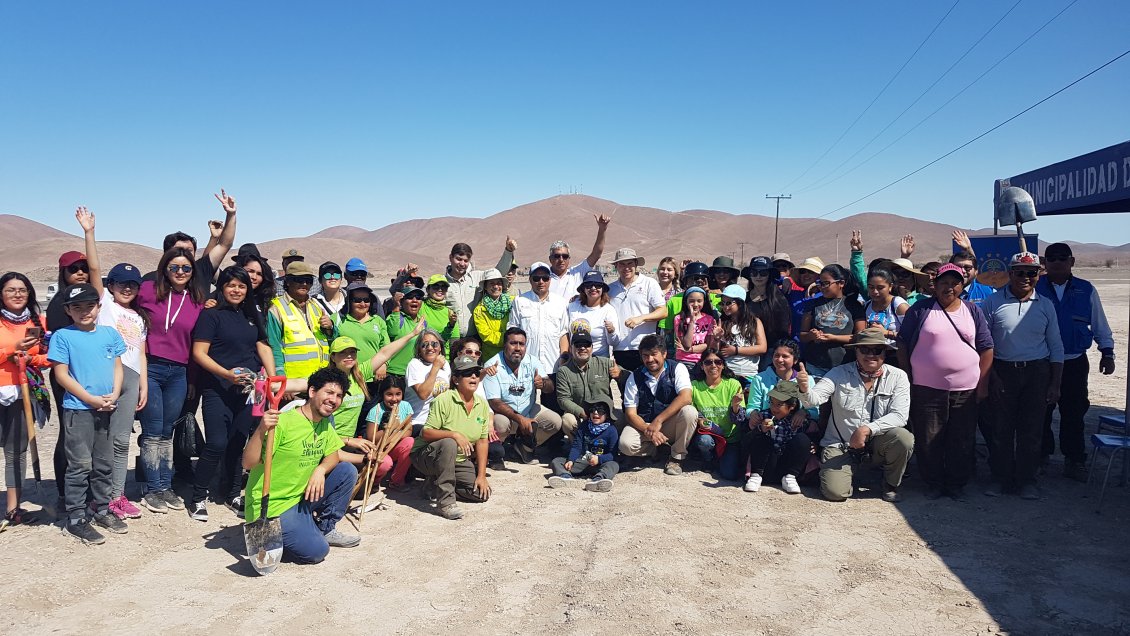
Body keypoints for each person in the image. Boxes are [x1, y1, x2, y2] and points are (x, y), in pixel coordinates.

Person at [242, 367, 361, 563]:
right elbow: (248, 462)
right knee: (318, 552)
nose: (334, 400)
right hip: (272, 506)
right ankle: (288, 533)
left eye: (339, 395)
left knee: (346, 471)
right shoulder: (283, 422)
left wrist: (320, 470)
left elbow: (333, 456)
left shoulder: (323, 424)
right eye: (329, 392)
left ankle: (323, 528)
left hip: (300, 498)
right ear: (313, 392)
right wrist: (261, 429)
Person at [897, 263, 994, 500]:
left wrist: (983, 384)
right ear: (935, 285)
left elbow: (987, 347)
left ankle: (956, 483)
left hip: (966, 389)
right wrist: (907, 375)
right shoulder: (920, 310)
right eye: (944, 283)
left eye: (954, 283)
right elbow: (902, 343)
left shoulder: (972, 311)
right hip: (927, 387)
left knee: (961, 437)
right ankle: (933, 482)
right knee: (929, 436)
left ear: (962, 285)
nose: (949, 287)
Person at [188, 266, 277, 521]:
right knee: (216, 442)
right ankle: (198, 496)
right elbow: (199, 353)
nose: (236, 290)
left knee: (239, 441)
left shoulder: (250, 314)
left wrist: (271, 378)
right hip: (218, 387)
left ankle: (232, 493)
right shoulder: (211, 315)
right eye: (231, 285)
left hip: (249, 390)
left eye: (242, 286)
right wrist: (226, 374)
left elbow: (262, 345)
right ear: (223, 287)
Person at [48, 283, 127, 544]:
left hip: (106, 408)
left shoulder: (109, 334)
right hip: (78, 410)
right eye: (77, 307)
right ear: (68, 310)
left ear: (98, 307)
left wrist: (114, 394)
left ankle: (102, 508)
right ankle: (76, 517)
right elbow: (61, 375)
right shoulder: (63, 336)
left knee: (103, 463)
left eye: (89, 306)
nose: (84, 311)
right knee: (80, 465)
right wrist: (90, 399)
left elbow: (118, 367)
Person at [982, 252, 1064, 500]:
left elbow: (1056, 346)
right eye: (1020, 272)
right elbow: (984, 344)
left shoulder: (1046, 305)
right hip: (1003, 371)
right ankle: (1001, 478)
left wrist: (1055, 383)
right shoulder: (993, 302)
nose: (1026, 277)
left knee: (1031, 429)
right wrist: (991, 376)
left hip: (1037, 372)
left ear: (1039, 275)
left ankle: (1027, 480)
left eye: (1032, 273)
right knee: (1001, 429)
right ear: (1010, 273)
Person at [799, 327, 914, 503]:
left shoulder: (898, 376)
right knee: (835, 494)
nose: (871, 355)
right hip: (840, 445)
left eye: (877, 350)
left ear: (885, 353)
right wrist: (804, 388)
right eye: (865, 350)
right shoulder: (838, 373)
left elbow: (900, 416)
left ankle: (890, 484)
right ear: (856, 351)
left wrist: (866, 429)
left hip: (877, 444)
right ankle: (846, 474)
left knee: (903, 438)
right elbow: (811, 401)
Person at [1037, 243, 1116, 480]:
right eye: (1052, 258)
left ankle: (1074, 459)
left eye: (1063, 258)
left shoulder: (1086, 289)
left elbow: (1099, 322)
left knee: (1074, 412)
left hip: (1074, 361)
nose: (1057, 262)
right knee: (1041, 412)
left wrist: (1107, 351)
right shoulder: (1034, 287)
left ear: (1072, 261)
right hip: (1042, 361)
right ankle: (1041, 456)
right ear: (1045, 262)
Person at [137, 246, 207, 512]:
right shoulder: (147, 291)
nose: (180, 272)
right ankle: (152, 489)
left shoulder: (197, 300)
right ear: (164, 268)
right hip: (151, 367)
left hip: (179, 372)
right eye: (174, 267)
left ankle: (165, 487)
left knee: (168, 432)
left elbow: (194, 343)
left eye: (186, 268)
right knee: (153, 431)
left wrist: (191, 379)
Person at [93, 262, 149, 521]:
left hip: (132, 378)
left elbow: (141, 352)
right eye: (121, 283)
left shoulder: (138, 317)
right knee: (101, 439)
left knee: (122, 440)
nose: (127, 288)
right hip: (108, 376)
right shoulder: (105, 305)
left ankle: (117, 496)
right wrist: (89, 232)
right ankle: (99, 497)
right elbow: (94, 269)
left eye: (133, 285)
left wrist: (143, 384)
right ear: (110, 286)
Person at [410, 354, 492, 521]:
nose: (474, 377)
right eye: (468, 373)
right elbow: (426, 432)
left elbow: (483, 441)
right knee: (449, 443)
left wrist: (481, 475)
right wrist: (454, 434)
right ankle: (445, 503)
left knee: (480, 494)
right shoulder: (444, 400)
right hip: (426, 456)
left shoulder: (482, 404)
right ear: (455, 379)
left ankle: (434, 485)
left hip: (459, 461)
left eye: (476, 372)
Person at [0, 272, 50, 528]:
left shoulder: (38, 322)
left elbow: (49, 357)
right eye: (11, 290)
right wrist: (13, 349)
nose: (17, 294)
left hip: (22, 393)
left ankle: (13, 509)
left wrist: (31, 359)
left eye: (22, 290)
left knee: (15, 452)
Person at [46, 247, 92, 499]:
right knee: (69, 433)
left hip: (87, 374)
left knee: (85, 434)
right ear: (63, 272)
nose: (80, 273)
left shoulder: (84, 298)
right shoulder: (61, 303)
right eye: (73, 269)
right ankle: (65, 492)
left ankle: (82, 489)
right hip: (68, 376)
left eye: (83, 268)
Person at [618, 335, 696, 475]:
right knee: (625, 445)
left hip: (669, 422)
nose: (650, 360)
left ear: (664, 353)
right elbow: (630, 414)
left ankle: (676, 457)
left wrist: (658, 421)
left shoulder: (677, 368)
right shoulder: (634, 376)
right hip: (645, 424)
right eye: (645, 356)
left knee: (689, 412)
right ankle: (659, 449)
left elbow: (686, 397)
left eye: (654, 354)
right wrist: (648, 428)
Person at [484, 327, 564, 463]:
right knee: (500, 424)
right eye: (513, 343)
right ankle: (496, 451)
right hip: (504, 414)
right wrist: (520, 419)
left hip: (528, 409)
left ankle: (523, 447)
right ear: (504, 345)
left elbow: (550, 388)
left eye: (521, 344)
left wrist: (543, 384)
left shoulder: (533, 361)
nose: (518, 348)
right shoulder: (492, 365)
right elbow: (494, 402)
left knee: (555, 422)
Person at [267, 261, 333, 381]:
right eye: (299, 280)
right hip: (294, 382)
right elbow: (274, 346)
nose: (304, 284)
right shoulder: (276, 308)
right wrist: (281, 377)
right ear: (287, 281)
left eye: (308, 280)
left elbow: (328, 340)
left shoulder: (316, 306)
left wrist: (330, 327)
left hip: (320, 379)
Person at [741, 380, 811, 495]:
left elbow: (806, 445)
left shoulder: (799, 420)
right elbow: (745, 442)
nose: (774, 407)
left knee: (802, 439)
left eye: (779, 404)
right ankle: (755, 476)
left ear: (792, 406)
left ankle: (790, 477)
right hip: (765, 466)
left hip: (785, 464)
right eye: (772, 402)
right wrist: (760, 429)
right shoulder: (763, 416)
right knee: (761, 437)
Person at [799, 264, 865, 380]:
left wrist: (833, 338)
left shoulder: (854, 305)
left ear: (841, 283)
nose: (822, 287)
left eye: (826, 283)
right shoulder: (812, 304)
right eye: (820, 283)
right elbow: (802, 335)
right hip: (816, 365)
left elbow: (860, 337)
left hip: (845, 364)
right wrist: (811, 335)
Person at [609, 249, 667, 376]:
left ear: (636, 264)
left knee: (647, 388)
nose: (626, 268)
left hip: (645, 348)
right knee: (625, 391)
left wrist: (641, 318)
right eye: (622, 264)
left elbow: (663, 311)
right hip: (620, 349)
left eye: (630, 263)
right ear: (616, 266)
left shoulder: (649, 283)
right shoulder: (610, 289)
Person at [689, 349, 746, 480]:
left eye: (718, 362)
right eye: (708, 362)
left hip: (730, 438)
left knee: (729, 475)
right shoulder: (694, 386)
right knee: (705, 442)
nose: (713, 365)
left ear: (723, 365)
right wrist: (700, 420)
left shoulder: (733, 384)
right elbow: (692, 411)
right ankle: (708, 459)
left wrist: (735, 406)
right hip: (708, 435)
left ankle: (721, 460)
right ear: (702, 366)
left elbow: (740, 420)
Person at [556, 328, 621, 440]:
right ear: (571, 348)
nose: (582, 348)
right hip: (581, 415)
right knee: (567, 420)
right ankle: (579, 447)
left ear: (591, 347)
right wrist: (582, 413)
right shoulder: (563, 371)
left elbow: (629, 378)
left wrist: (620, 374)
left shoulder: (605, 363)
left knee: (623, 417)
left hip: (604, 413)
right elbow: (563, 399)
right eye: (578, 345)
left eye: (586, 345)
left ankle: (612, 447)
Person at [442, 238, 517, 335]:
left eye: (466, 260)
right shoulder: (441, 283)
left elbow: (497, 272)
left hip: (475, 339)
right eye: (458, 259)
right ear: (450, 258)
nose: (462, 264)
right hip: (451, 337)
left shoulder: (476, 277)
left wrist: (508, 251)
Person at [508, 262, 570, 377]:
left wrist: (563, 359)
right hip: (526, 365)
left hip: (553, 365)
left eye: (545, 278)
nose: (541, 282)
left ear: (550, 280)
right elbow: (513, 333)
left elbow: (563, 334)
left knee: (552, 395)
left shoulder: (561, 303)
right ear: (530, 280)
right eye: (536, 278)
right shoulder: (519, 301)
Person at [547, 400, 620, 492]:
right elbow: (576, 446)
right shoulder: (584, 426)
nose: (595, 413)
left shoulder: (611, 430)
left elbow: (613, 454)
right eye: (592, 410)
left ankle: (599, 479)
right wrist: (571, 460)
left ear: (607, 414)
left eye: (600, 411)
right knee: (557, 461)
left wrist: (599, 459)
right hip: (583, 461)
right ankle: (565, 477)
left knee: (613, 465)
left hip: (601, 464)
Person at [547, 214, 611, 299]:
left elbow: (596, 254)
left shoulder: (577, 273)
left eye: (565, 256)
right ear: (550, 259)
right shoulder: (544, 278)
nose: (561, 259)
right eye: (557, 256)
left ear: (569, 258)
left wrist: (602, 229)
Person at [712, 284, 767, 383]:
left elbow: (762, 348)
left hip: (749, 374)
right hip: (726, 374)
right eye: (722, 303)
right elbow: (715, 351)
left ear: (740, 304)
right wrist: (716, 339)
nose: (725, 307)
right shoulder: (721, 322)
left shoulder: (754, 322)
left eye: (728, 303)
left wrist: (736, 350)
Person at [659, 261, 711, 357]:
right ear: (686, 281)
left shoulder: (716, 299)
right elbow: (667, 333)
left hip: (706, 357)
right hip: (682, 355)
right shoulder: (674, 300)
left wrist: (708, 297)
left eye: (702, 279)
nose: (698, 282)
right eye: (694, 279)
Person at [338, 281, 390, 374]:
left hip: (373, 376)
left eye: (366, 300)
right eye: (357, 300)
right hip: (346, 375)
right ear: (349, 301)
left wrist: (384, 364)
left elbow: (386, 347)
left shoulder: (378, 321)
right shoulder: (338, 319)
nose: (363, 304)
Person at [567, 270, 620, 358]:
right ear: (583, 289)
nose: (593, 288)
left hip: (598, 360)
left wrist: (611, 331)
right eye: (588, 285)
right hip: (575, 360)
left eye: (598, 285)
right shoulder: (572, 307)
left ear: (602, 289)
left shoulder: (608, 310)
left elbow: (614, 342)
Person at [405, 329, 451, 429]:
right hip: (418, 422)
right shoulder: (414, 365)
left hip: (440, 421)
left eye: (434, 344)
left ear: (440, 347)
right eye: (424, 345)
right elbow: (423, 394)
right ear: (419, 350)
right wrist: (435, 368)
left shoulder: (445, 364)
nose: (430, 348)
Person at [468, 269, 511, 361]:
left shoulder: (513, 303)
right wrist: (509, 340)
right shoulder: (479, 310)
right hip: (492, 356)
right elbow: (486, 335)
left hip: (512, 353)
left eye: (499, 283)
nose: (496, 286)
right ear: (485, 287)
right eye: (491, 283)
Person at [385, 285, 426, 378]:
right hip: (395, 373)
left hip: (416, 374)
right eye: (410, 297)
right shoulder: (397, 318)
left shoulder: (423, 323)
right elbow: (392, 332)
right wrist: (396, 306)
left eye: (418, 298)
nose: (414, 300)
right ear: (402, 302)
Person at [863, 268, 908, 353]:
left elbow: (913, 334)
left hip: (897, 356)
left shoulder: (899, 306)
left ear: (890, 286)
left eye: (880, 288)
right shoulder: (866, 306)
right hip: (873, 355)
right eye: (871, 287)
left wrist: (887, 333)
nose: (875, 291)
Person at [674, 286, 717, 367]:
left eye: (699, 301)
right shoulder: (679, 319)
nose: (695, 304)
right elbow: (687, 344)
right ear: (685, 301)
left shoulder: (709, 319)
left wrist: (690, 350)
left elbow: (707, 345)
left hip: (702, 360)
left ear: (704, 301)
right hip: (684, 360)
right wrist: (692, 321)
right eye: (691, 301)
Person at [421, 274, 460, 352]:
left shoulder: (450, 312)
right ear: (428, 290)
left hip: (444, 357)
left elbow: (454, 341)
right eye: (435, 286)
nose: (440, 289)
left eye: (444, 287)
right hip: (423, 355)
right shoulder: (420, 307)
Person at [313, 262, 346, 327]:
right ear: (320, 280)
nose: (332, 277)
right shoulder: (314, 302)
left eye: (336, 274)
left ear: (341, 278)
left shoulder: (350, 299)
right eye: (327, 275)